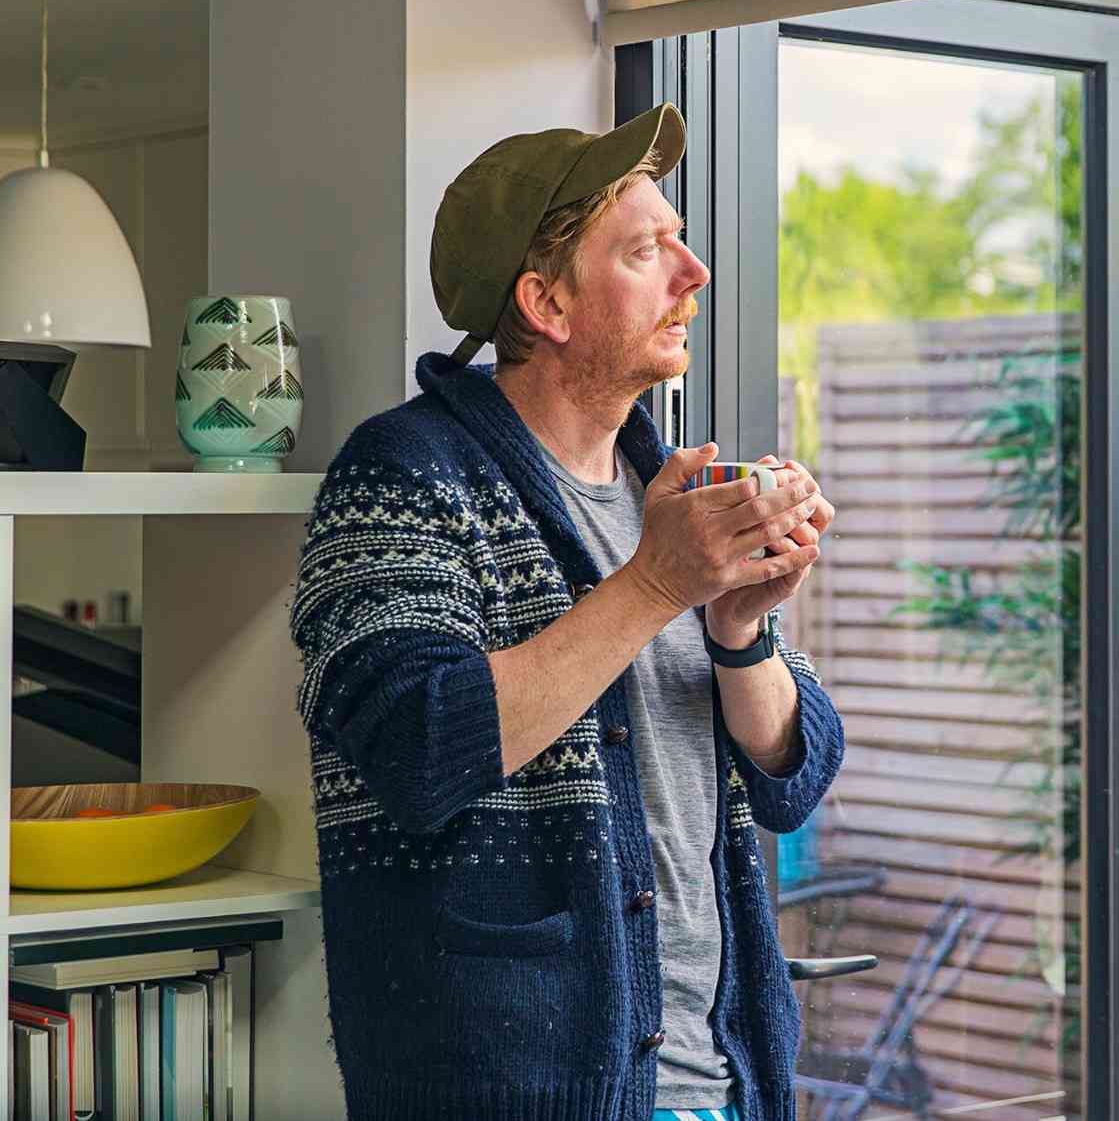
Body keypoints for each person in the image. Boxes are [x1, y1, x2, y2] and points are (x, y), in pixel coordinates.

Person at [291, 103, 844, 1121]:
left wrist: (739, 630)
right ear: (545, 301)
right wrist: (656, 586)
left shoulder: (662, 484)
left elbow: (792, 775)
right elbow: (417, 746)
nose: (693, 272)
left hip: (723, 1078)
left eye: (680, 239)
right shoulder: (404, 472)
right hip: (513, 1091)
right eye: (646, 250)